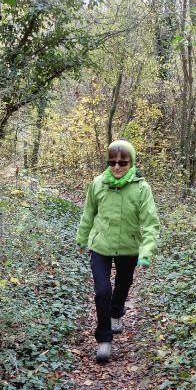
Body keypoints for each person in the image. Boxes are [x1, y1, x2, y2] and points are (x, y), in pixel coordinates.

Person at [76, 140, 160, 363]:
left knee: (123, 284)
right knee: (102, 291)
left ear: (131, 162)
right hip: (100, 245)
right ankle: (104, 340)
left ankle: (117, 312)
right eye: (112, 162)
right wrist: (82, 238)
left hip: (128, 247)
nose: (116, 167)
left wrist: (146, 251)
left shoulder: (141, 188)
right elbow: (88, 214)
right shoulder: (97, 184)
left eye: (122, 162)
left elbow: (151, 223)